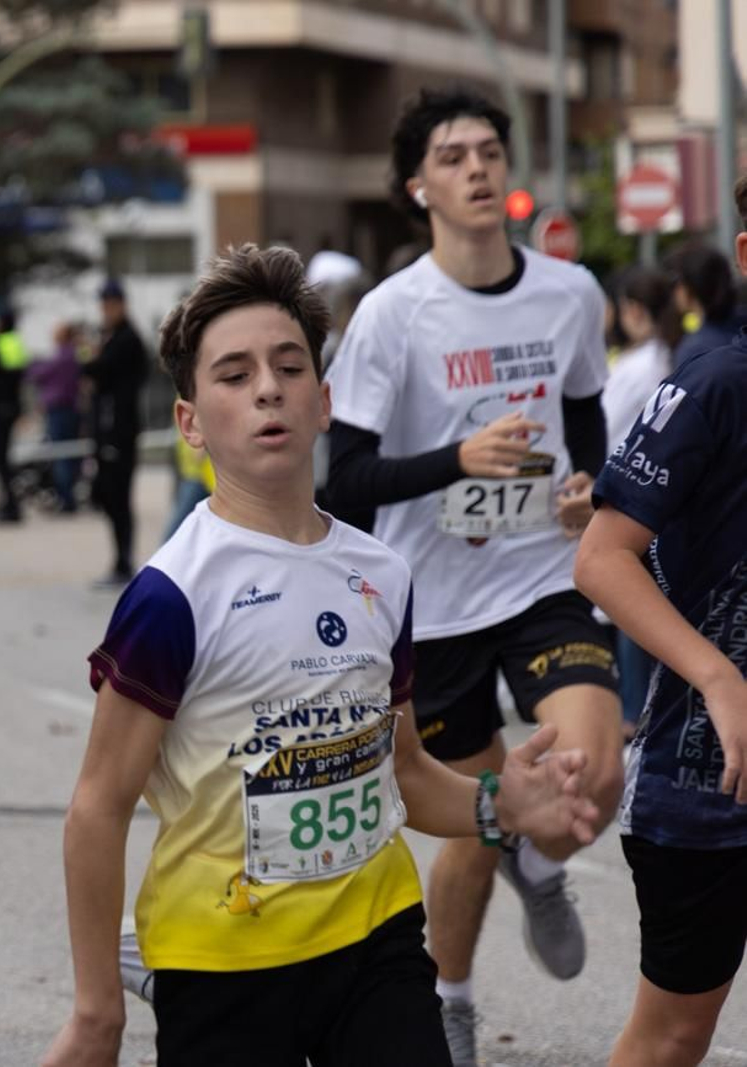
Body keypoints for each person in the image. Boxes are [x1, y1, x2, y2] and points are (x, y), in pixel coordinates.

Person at [42, 244, 599, 1067]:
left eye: (289, 366)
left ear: (325, 399)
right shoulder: (171, 595)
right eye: (233, 374)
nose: (267, 387)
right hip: (222, 962)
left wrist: (499, 804)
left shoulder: (381, 571)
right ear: (190, 420)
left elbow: (402, 772)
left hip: (376, 943)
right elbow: (98, 807)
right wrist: (95, 1012)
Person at [324, 86, 623, 1066]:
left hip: (541, 575)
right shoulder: (390, 314)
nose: (477, 168)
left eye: (489, 151)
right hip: (432, 596)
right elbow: (349, 478)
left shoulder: (569, 293)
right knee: (475, 809)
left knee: (594, 771)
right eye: (452, 157)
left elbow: (583, 412)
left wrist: (588, 486)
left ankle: (540, 856)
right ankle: (450, 995)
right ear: (418, 187)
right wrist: (455, 461)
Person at [574, 175, 747, 1067]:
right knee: (674, 1035)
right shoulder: (712, 386)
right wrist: (719, 673)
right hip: (703, 788)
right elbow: (601, 556)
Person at [600, 267, 678, 736]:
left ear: (633, 311)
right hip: (660, 497)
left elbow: (606, 430)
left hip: (631, 495)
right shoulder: (669, 357)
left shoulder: (638, 367)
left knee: (630, 605)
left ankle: (633, 711)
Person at [84, 280, 148, 588]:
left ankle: (123, 563)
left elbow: (97, 369)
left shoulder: (127, 339)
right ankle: (119, 560)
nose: (105, 311)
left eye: (109, 305)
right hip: (105, 431)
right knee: (105, 494)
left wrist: (91, 359)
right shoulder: (110, 337)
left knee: (118, 497)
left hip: (118, 433)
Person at [28, 321, 83, 514]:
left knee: (60, 455)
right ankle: (68, 496)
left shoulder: (62, 356)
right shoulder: (74, 355)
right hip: (70, 409)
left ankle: (66, 499)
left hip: (59, 410)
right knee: (69, 455)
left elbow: (37, 374)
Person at [666, 242, 742, 370]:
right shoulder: (740, 328)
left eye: (674, 281)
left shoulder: (695, 350)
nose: (673, 290)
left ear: (689, 286)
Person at [0, 307, 28, 523]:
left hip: (2, 406)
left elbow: (0, 375)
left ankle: (10, 505)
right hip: (9, 405)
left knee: (2, 459)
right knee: (4, 457)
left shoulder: (3, 343)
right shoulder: (15, 342)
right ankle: (9, 504)